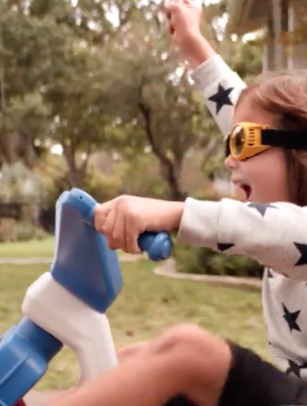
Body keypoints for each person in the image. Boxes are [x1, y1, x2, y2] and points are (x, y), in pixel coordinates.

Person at [93, 0, 307, 385]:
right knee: (133, 359)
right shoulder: (277, 153)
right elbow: (249, 115)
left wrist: (174, 214)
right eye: (231, 143)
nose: (229, 160)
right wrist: (192, 43)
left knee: (189, 354)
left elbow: (274, 227)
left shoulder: (298, 229)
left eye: (241, 143)